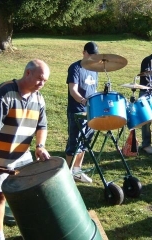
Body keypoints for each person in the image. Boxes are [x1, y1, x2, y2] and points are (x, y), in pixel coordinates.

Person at [0, 59, 51, 240]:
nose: (42, 84)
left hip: (22, 157)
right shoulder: (4, 93)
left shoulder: (39, 99)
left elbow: (42, 127)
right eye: (40, 79)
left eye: (45, 81)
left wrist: (40, 146)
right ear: (27, 73)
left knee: (25, 195)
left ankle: (28, 231)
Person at [65, 41, 99, 183]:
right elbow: (73, 90)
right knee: (74, 142)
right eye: (90, 54)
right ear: (84, 52)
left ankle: (77, 171)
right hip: (77, 111)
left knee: (85, 142)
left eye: (94, 55)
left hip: (90, 111)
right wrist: (84, 101)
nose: (92, 57)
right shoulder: (75, 67)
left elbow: (94, 90)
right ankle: (67, 175)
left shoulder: (94, 69)